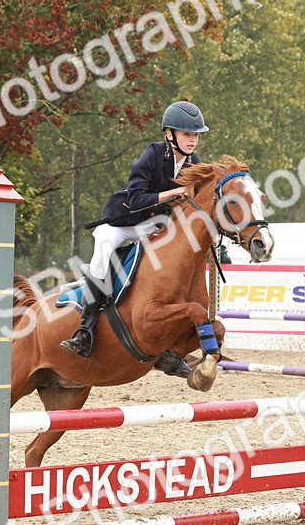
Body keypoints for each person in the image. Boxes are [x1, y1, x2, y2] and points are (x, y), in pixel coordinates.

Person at [60, 100, 209, 357]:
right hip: (122, 222)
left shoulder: (193, 162)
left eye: (196, 135)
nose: (193, 140)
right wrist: (175, 192)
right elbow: (138, 197)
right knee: (102, 256)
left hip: (152, 225)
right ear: (169, 134)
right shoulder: (152, 153)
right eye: (187, 134)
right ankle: (85, 329)